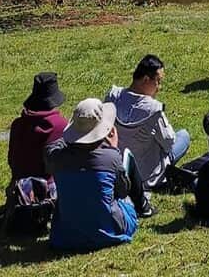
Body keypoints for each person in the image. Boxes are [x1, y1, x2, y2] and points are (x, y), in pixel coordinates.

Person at [45, 98, 139, 252]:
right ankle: (144, 206)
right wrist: (114, 148)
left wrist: (73, 138)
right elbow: (122, 191)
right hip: (107, 232)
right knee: (127, 202)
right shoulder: (111, 157)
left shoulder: (58, 157)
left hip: (66, 236)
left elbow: (52, 148)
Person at [105, 54, 191, 190]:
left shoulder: (113, 97)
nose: (159, 87)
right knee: (184, 136)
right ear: (146, 79)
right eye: (158, 81)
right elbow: (169, 143)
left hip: (117, 170)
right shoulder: (153, 110)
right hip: (146, 177)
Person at [8, 72, 68, 181]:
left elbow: (11, 161)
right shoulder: (61, 125)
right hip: (50, 193)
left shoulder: (17, 124)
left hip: (20, 192)